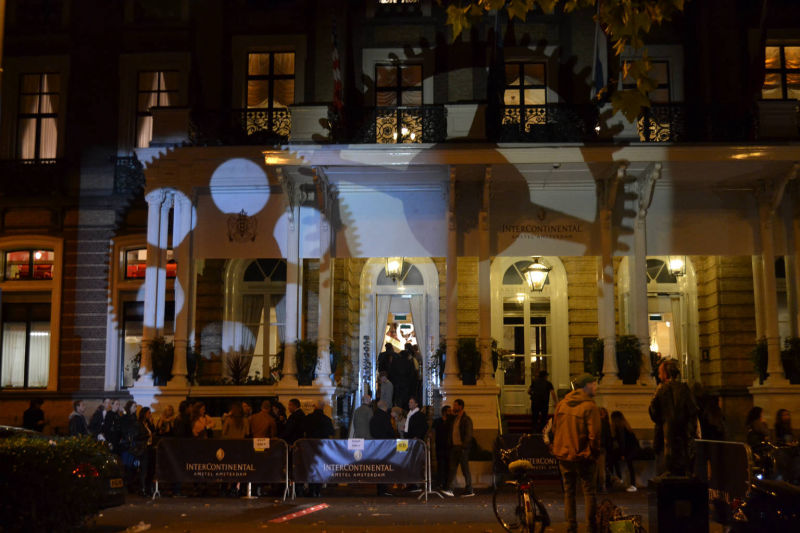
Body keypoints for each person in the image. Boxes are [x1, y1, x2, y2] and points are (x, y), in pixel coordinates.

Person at [552, 373, 601, 533]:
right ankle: (590, 527)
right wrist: (594, 452)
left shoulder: (562, 404)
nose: (596, 387)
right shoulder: (590, 406)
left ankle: (571, 526)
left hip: (564, 455)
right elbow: (594, 434)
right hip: (583, 455)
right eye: (594, 384)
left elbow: (555, 429)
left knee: (569, 492)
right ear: (586, 386)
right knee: (589, 492)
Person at [649, 359, 697, 476]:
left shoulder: (661, 389)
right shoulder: (684, 389)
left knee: (666, 467)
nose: (659, 376)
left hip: (665, 434)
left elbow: (653, 412)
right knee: (682, 468)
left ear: (665, 374)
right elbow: (692, 410)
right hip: (683, 434)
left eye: (660, 373)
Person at [442, 398, 474, 498]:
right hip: (454, 447)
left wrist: (464, 446)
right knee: (452, 469)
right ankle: (450, 488)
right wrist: (450, 415)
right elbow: (446, 426)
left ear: (460, 406)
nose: (453, 407)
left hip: (462, 448)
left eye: (455, 405)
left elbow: (468, 434)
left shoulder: (466, 419)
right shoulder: (454, 419)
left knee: (465, 469)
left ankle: (469, 489)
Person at [303, 400, 334, 498]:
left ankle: (311, 489)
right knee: (321, 467)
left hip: (310, 446)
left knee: (311, 467)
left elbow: (303, 429)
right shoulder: (327, 419)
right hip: (322, 447)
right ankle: (318, 490)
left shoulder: (308, 418)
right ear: (323, 407)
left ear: (314, 407)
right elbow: (331, 432)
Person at [609, 410, 641, 492]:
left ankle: (626, 482)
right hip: (632, 449)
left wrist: (622, 454)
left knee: (616, 461)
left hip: (629, 450)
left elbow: (622, 442)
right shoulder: (626, 426)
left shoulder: (619, 429)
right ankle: (627, 482)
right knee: (628, 465)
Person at [369, 400, 396, 497]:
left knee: (379, 467)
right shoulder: (385, 417)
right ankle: (384, 489)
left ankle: (380, 489)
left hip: (377, 444)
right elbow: (390, 431)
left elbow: (372, 432)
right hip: (386, 444)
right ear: (385, 407)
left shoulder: (373, 417)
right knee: (386, 467)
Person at [433, 405, 451, 490]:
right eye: (448, 411)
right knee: (440, 465)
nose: (450, 413)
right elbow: (433, 432)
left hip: (448, 447)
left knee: (448, 466)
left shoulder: (451, 421)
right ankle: (439, 482)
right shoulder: (437, 421)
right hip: (439, 446)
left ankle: (446, 484)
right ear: (444, 412)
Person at [596, 407, 612, 493]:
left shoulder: (594, 422)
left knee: (595, 468)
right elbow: (608, 437)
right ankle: (602, 486)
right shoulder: (605, 423)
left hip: (594, 447)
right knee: (601, 468)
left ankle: (596, 486)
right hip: (602, 447)